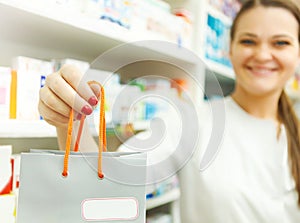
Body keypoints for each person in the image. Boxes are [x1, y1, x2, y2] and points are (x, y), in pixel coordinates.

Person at [38, 0, 300, 222]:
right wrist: (69, 119)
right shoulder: (191, 121)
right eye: (248, 41)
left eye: (280, 43)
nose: (263, 54)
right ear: (229, 50)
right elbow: (103, 191)